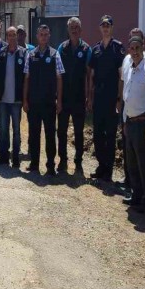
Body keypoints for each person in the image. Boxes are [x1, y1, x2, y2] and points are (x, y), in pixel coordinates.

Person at [119, 35, 145, 214]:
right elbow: (127, 95)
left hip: (142, 122)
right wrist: (125, 121)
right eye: (131, 49)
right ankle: (136, 195)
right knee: (131, 162)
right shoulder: (129, 67)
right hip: (130, 122)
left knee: (144, 164)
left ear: (143, 48)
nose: (134, 52)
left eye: (137, 48)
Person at [23, 24, 64, 175]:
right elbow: (26, 78)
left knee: (50, 134)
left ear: (49, 36)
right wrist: (25, 100)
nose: (44, 37)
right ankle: (34, 164)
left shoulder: (55, 54)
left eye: (46, 34)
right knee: (34, 134)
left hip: (49, 103)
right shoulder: (30, 55)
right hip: (33, 102)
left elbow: (59, 78)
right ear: (37, 36)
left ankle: (50, 165)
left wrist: (59, 101)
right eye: (41, 34)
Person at [88, 15, 125, 182]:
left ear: (112, 28)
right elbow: (91, 75)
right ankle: (101, 165)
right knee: (97, 134)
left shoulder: (118, 48)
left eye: (108, 25)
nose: (105, 28)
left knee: (110, 134)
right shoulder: (96, 49)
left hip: (111, 97)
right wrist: (90, 97)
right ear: (100, 28)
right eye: (103, 25)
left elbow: (121, 76)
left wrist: (119, 99)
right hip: (98, 97)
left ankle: (108, 170)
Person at [56, 17, 91, 174]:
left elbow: (89, 75)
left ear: (80, 30)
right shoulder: (61, 48)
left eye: (76, 27)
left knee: (78, 131)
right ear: (68, 30)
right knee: (61, 131)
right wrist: (58, 98)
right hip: (64, 97)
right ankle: (63, 160)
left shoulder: (86, 49)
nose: (74, 30)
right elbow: (58, 74)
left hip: (79, 97)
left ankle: (78, 161)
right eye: (71, 27)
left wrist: (89, 97)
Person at [0, 26, 26, 168]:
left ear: (17, 36)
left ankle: (15, 157)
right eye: (9, 35)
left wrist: (24, 98)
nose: (12, 37)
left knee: (16, 130)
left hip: (16, 99)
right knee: (3, 129)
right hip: (2, 99)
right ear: (6, 37)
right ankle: (3, 155)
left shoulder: (23, 53)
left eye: (14, 35)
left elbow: (26, 78)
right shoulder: (1, 53)